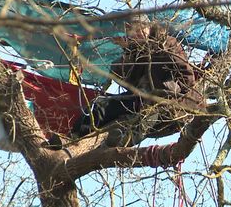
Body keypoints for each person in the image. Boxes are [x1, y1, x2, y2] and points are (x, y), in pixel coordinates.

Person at [72, 14, 203, 146]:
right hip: (141, 98)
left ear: (149, 27)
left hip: (170, 105)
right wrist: (128, 50)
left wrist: (166, 92)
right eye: (132, 32)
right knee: (102, 105)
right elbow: (123, 79)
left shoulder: (167, 43)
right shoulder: (135, 51)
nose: (137, 34)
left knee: (140, 124)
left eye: (140, 29)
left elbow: (187, 76)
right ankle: (74, 137)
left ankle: (115, 146)